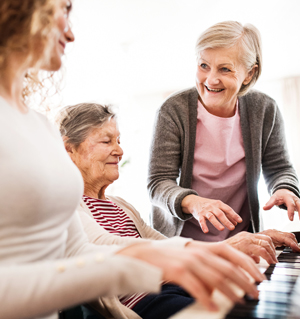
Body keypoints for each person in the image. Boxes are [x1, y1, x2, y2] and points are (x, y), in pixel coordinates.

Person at [0, 3, 263, 319]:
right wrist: (159, 262)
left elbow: (77, 251)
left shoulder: (39, 125)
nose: (70, 33)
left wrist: (192, 251)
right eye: (63, 9)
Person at [57, 102, 300, 319]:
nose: (119, 151)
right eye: (106, 141)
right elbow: (104, 247)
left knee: (258, 299)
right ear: (69, 149)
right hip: (147, 302)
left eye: (118, 141)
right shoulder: (66, 204)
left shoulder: (121, 205)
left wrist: (245, 243)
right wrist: (227, 248)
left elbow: (169, 247)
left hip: (174, 287)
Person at [147, 21, 300, 242]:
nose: (211, 79)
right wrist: (194, 202)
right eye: (203, 65)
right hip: (183, 243)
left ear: (249, 73)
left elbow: (279, 167)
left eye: (225, 69)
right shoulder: (172, 111)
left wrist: (284, 188)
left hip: (241, 239)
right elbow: (158, 182)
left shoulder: (264, 109)